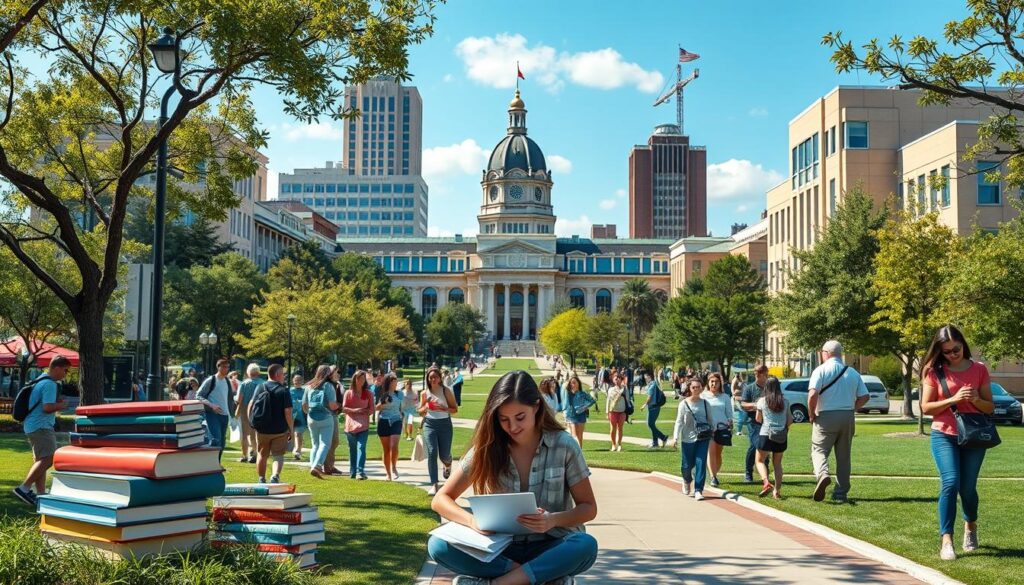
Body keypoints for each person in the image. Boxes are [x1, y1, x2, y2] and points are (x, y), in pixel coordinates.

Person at [427, 370, 598, 584]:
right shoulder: (487, 447)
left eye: (520, 417)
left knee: (585, 545)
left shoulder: (564, 445)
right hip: (500, 549)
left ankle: (499, 582)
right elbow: (440, 499)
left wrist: (552, 520)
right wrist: (472, 521)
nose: (513, 427)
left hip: (551, 544)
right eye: (503, 419)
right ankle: (537, 577)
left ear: (536, 407)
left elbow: (588, 508)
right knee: (438, 545)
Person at [920, 325, 995, 561]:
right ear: (940, 351)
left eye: (956, 349)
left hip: (973, 435)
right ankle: (947, 540)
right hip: (944, 434)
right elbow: (925, 407)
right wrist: (953, 398)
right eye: (947, 352)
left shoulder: (979, 369)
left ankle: (970, 526)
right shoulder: (933, 371)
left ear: (963, 344)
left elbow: (990, 407)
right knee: (950, 482)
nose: (953, 354)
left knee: (968, 489)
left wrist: (975, 399)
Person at [808, 340, 869, 503]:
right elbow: (865, 396)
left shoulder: (820, 370)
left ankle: (822, 474)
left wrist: (811, 413)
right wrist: (853, 408)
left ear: (826, 353)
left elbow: (813, 394)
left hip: (825, 415)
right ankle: (841, 492)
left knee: (818, 450)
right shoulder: (853, 373)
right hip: (847, 416)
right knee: (843, 457)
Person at [13, 356, 70, 506]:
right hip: (41, 426)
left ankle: (41, 493)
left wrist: (55, 404)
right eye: (65, 370)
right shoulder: (50, 384)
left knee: (41, 460)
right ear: (57, 368)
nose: (66, 373)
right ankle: (24, 488)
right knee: (49, 458)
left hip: (32, 425)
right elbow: (47, 407)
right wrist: (62, 405)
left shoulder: (39, 381)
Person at [671, 379, 717, 501]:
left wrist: (714, 430)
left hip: (703, 438)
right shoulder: (684, 404)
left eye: (698, 387)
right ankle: (686, 480)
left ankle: (698, 490)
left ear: (702, 388)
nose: (696, 389)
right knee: (686, 466)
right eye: (694, 387)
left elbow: (711, 420)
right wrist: (675, 437)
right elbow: (679, 421)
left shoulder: (706, 404)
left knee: (701, 463)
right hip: (687, 438)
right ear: (689, 389)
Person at [248, 364, 293, 484]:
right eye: (283, 374)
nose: (284, 376)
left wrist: (251, 421)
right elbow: (288, 412)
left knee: (262, 454)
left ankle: (261, 478)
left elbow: (251, 405)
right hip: (279, 429)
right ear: (277, 375)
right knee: (278, 455)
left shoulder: (260, 387)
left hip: (262, 428)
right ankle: (275, 476)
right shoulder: (284, 390)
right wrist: (291, 429)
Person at [418, 366, 458, 494]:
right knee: (432, 452)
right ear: (428, 379)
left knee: (444, 455)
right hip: (429, 424)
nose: (433, 379)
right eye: (430, 377)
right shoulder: (424, 393)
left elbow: (455, 409)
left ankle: (448, 463)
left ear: (440, 378)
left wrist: (443, 408)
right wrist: (425, 408)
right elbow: (419, 411)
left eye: (435, 377)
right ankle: (434, 484)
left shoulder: (446, 391)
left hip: (445, 424)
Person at [754, 376, 792, 499]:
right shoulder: (785, 401)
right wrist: (784, 428)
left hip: (766, 433)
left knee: (759, 461)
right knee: (777, 464)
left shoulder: (762, 401)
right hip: (781, 435)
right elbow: (790, 419)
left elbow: (758, 419)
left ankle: (766, 482)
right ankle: (777, 491)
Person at [302, 365, 339, 479]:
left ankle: (313, 466)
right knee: (325, 444)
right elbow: (333, 406)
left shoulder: (309, 386)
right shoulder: (328, 386)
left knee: (315, 444)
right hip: (326, 417)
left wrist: (308, 413)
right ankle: (317, 466)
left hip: (311, 417)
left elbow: (304, 405)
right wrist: (339, 406)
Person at [197, 359, 233, 462]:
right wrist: (211, 405)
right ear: (218, 367)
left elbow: (229, 398)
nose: (226, 369)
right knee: (215, 439)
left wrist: (232, 412)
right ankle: (209, 462)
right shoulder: (211, 380)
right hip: (213, 414)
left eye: (228, 367)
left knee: (222, 443)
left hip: (225, 415)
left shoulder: (227, 381)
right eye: (224, 367)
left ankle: (217, 463)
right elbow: (198, 395)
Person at [701, 373, 733, 487]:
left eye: (716, 382)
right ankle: (712, 477)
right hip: (708, 429)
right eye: (712, 381)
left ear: (720, 383)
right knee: (711, 451)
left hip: (722, 428)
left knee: (718, 453)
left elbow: (729, 413)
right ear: (708, 383)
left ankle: (714, 472)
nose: (714, 384)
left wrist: (730, 421)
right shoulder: (703, 396)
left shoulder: (725, 397)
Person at [740, 364, 769, 482]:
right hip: (753, 422)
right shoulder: (749, 388)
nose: (758, 374)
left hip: (767, 422)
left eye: (761, 372)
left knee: (765, 446)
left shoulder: (769, 388)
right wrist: (756, 405)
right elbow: (743, 404)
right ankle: (748, 472)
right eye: (756, 372)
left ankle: (765, 473)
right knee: (754, 446)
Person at [343, 369, 374, 480]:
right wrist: (357, 410)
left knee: (361, 447)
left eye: (363, 378)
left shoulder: (369, 393)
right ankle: (352, 472)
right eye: (359, 378)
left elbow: (371, 410)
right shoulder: (348, 393)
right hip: (350, 425)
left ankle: (360, 471)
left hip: (363, 425)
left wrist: (365, 411)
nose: (361, 381)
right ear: (354, 379)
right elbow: (344, 408)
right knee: (352, 449)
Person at [375, 373, 404, 480]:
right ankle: (388, 474)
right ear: (388, 382)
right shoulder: (382, 393)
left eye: (396, 380)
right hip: (384, 421)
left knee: (393, 446)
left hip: (396, 420)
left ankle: (394, 467)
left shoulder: (399, 394)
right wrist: (383, 402)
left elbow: (401, 408)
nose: (395, 382)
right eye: (393, 380)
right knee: (386, 449)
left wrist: (403, 418)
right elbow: (376, 408)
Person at [235, 363, 264, 463]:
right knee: (255, 434)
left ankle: (244, 455)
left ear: (248, 372)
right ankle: (255, 454)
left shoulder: (244, 384)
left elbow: (239, 399)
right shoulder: (263, 383)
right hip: (258, 410)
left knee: (244, 434)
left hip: (244, 409)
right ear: (258, 372)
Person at [323, 366, 344, 475]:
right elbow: (332, 404)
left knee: (334, 442)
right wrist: (340, 405)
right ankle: (327, 466)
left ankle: (330, 465)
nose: (339, 374)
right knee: (330, 442)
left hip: (334, 415)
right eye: (337, 372)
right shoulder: (328, 385)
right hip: (328, 415)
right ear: (330, 374)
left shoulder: (337, 385)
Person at [640, 373, 669, 448]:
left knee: (650, 424)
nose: (645, 379)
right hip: (654, 407)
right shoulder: (653, 384)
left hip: (654, 407)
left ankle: (663, 437)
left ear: (650, 377)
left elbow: (649, 397)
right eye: (645, 378)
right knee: (652, 424)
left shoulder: (652, 385)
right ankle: (655, 442)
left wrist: (644, 405)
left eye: (646, 377)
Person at [562, 374, 591, 447]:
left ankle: (579, 452)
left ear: (578, 383)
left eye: (574, 382)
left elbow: (590, 401)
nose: (573, 384)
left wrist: (584, 407)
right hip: (572, 416)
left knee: (579, 436)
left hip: (581, 416)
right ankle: (574, 451)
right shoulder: (568, 393)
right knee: (574, 435)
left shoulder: (582, 393)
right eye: (572, 383)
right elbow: (567, 404)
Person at [605, 373, 628, 452]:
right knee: (612, 429)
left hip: (622, 411)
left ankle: (619, 444)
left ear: (621, 380)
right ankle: (613, 444)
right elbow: (608, 400)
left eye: (619, 378)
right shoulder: (611, 389)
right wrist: (607, 412)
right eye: (615, 378)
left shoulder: (625, 389)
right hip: (613, 411)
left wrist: (627, 412)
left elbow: (628, 400)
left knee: (620, 428)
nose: (617, 379)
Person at [289, 374, 307, 461]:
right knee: (292, 433)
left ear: (302, 381)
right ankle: (294, 448)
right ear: (293, 381)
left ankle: (297, 451)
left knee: (298, 433)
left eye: (299, 380)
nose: (297, 382)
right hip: (290, 416)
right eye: (296, 380)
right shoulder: (289, 391)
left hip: (301, 416)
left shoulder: (305, 391)